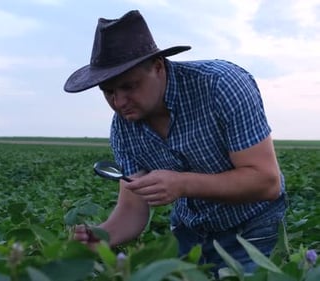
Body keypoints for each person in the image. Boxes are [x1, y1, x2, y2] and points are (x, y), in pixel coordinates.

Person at [63, 10, 287, 278]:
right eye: (109, 92)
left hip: (252, 228)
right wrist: (102, 236)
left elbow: (266, 182)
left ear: (158, 66)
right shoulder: (124, 127)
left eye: (129, 86)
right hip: (190, 231)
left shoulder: (221, 85)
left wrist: (181, 183)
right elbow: (132, 208)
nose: (119, 102)